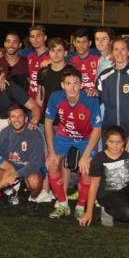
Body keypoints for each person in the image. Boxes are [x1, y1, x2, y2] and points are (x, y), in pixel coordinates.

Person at [45, 67, 102, 219]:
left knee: (86, 168)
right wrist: (51, 151)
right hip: (64, 135)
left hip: (85, 138)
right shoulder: (55, 97)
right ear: (62, 85)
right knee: (51, 164)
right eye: (68, 83)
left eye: (76, 83)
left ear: (82, 85)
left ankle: (80, 205)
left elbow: (97, 129)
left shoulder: (90, 100)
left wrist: (87, 155)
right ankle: (63, 204)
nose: (72, 87)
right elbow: (48, 123)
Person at [78, 126, 129, 234]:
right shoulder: (99, 158)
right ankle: (106, 210)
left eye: (119, 142)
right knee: (128, 213)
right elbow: (94, 186)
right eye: (111, 142)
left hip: (127, 191)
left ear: (124, 141)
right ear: (106, 142)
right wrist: (88, 213)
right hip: (109, 195)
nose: (115, 145)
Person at [96, 37, 129, 162]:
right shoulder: (104, 77)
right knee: (111, 172)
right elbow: (96, 100)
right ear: (112, 52)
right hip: (110, 131)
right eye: (116, 49)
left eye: (123, 49)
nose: (119, 53)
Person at [0, 105, 45, 209]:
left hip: (31, 168)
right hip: (11, 167)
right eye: (13, 116)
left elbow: (35, 165)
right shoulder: (4, 133)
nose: (16, 120)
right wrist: (8, 172)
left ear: (26, 119)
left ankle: (32, 199)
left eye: (20, 116)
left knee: (34, 181)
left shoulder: (34, 133)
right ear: (9, 120)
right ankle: (12, 191)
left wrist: (15, 174)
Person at [36, 37, 77, 112]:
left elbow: (77, 97)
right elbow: (40, 97)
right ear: (49, 53)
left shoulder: (72, 72)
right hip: (46, 116)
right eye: (52, 50)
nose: (56, 53)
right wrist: (36, 115)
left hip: (67, 118)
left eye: (59, 50)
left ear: (65, 53)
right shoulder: (42, 72)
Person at [66, 28, 101, 96]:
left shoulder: (98, 54)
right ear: (74, 43)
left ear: (89, 43)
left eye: (84, 42)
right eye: (78, 42)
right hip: (78, 98)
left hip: (96, 97)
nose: (81, 45)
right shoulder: (69, 58)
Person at [20, 25, 50, 99]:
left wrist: (53, 61)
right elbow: (11, 54)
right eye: (32, 36)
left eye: (38, 36)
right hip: (29, 100)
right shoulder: (28, 54)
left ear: (45, 38)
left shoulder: (53, 55)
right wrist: (0, 53)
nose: (35, 39)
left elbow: (68, 58)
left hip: (45, 100)